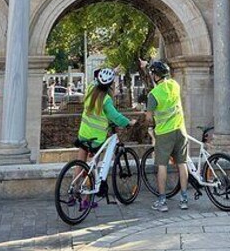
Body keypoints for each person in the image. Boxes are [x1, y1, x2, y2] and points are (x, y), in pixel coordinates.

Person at [72, 68, 136, 209]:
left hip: (83, 134)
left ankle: (73, 191)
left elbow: (98, 80)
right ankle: (87, 200)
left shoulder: (90, 89)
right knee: (92, 167)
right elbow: (115, 117)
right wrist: (128, 122)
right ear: (110, 85)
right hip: (96, 139)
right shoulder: (106, 100)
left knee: (79, 164)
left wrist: (110, 72)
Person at [143, 59, 189, 213]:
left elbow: (149, 117)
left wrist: (149, 120)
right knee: (182, 163)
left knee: (162, 166)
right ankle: (184, 199)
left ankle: (162, 201)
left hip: (164, 133)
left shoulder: (153, 95)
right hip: (180, 130)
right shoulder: (175, 85)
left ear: (155, 76)